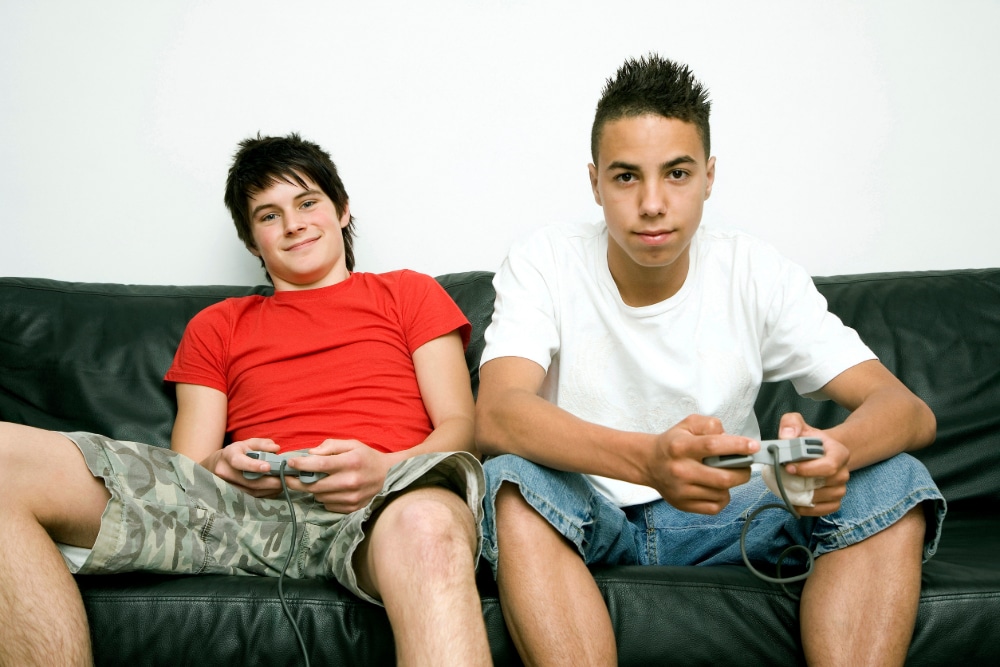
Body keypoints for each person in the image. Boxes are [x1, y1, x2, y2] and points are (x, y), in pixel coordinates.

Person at [475, 54, 946, 666]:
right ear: (594, 182)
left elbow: (907, 410)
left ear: (709, 176)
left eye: (676, 173)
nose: (652, 203)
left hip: (738, 514)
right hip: (588, 514)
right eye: (625, 177)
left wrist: (835, 453)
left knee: (896, 475)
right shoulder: (545, 260)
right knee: (510, 479)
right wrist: (648, 460)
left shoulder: (755, 270)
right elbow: (498, 415)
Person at [0, 133, 492, 666]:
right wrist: (223, 464)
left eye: (307, 203)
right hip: (242, 514)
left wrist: (383, 468)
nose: (294, 224)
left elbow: (460, 429)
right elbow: (188, 469)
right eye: (268, 215)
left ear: (343, 210)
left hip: (386, 501)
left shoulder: (409, 293)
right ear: (252, 241)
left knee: (427, 526)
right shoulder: (217, 325)